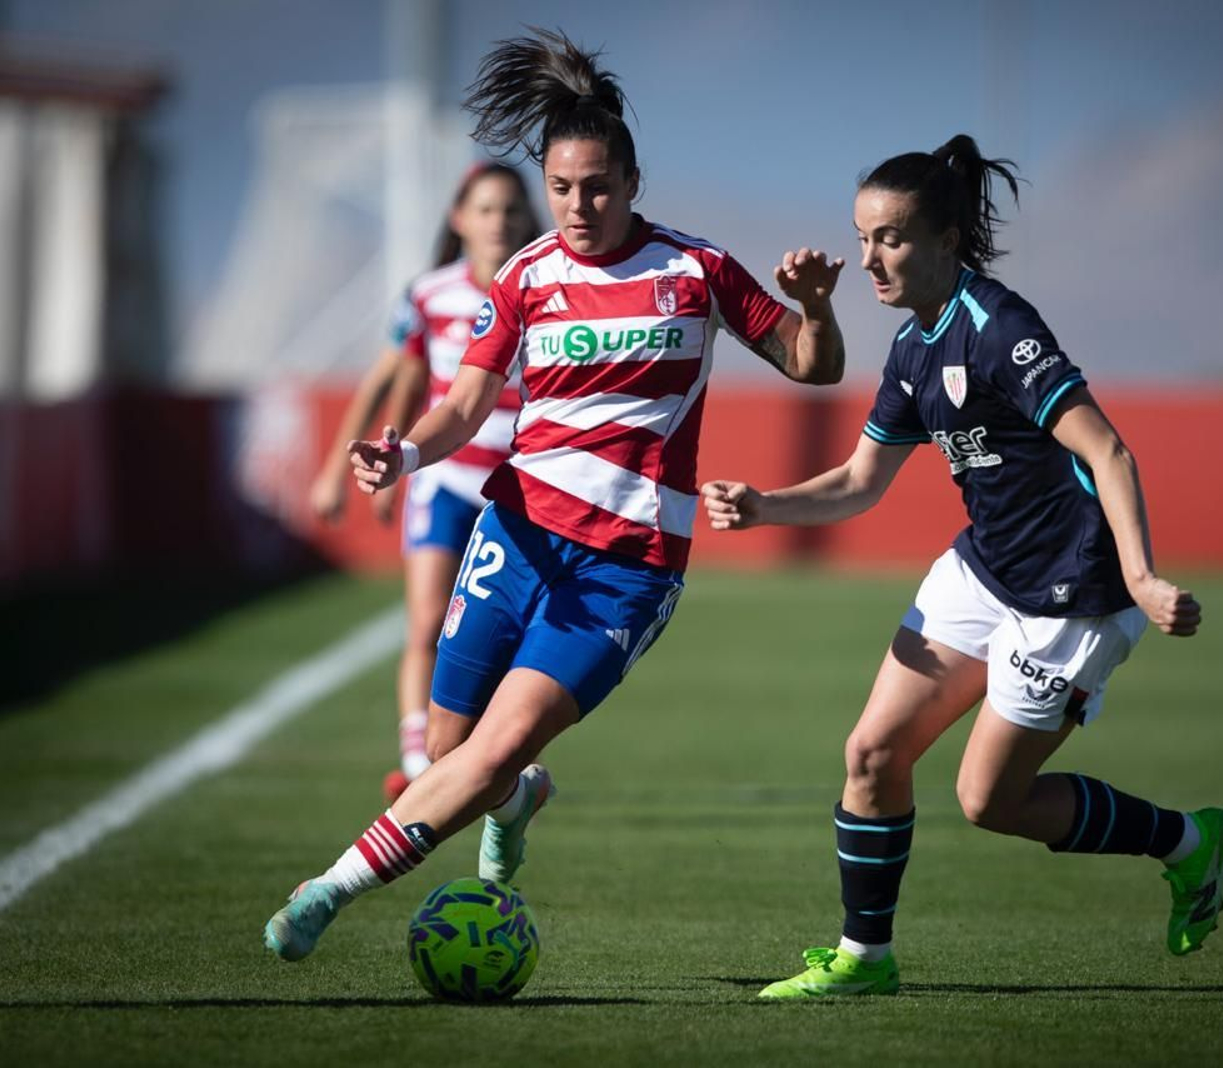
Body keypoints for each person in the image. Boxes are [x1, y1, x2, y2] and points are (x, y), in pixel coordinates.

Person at [264, 28, 846, 961]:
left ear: (634, 179)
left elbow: (814, 367)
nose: (580, 206)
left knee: (492, 752)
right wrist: (404, 456)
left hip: (626, 569)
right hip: (517, 536)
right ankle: (523, 798)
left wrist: (814, 306)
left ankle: (327, 889)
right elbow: (462, 404)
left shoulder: (694, 274)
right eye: (564, 187)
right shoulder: (527, 277)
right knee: (454, 759)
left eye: (600, 186)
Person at [702, 136, 1223, 999]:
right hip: (985, 570)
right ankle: (863, 962)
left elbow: (1108, 453)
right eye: (864, 236)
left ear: (949, 240)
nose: (870, 258)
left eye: (893, 238)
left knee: (990, 802)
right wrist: (766, 504)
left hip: (1074, 592)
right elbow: (856, 482)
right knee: (874, 753)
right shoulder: (914, 348)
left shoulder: (1000, 330)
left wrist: (1141, 579)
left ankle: (1189, 842)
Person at [308, 161, 540, 803]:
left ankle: (478, 758)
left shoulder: (546, 287)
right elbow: (395, 378)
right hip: (442, 481)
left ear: (528, 219)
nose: (499, 222)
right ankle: (416, 762)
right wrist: (340, 469)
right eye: (486, 209)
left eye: (511, 210)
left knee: (497, 635)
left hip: (516, 490)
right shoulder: (428, 294)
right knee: (428, 620)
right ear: (459, 218)